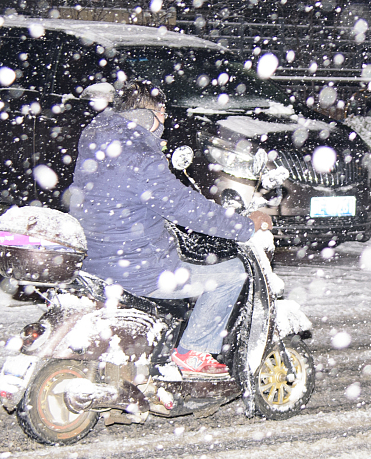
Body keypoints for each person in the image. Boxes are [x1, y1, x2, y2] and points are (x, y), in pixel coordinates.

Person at [67, 81, 273, 377]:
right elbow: (185, 207)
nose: (165, 118)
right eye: (162, 111)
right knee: (231, 275)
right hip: (133, 268)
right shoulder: (138, 152)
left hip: (94, 258)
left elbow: (124, 195)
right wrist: (243, 225)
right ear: (148, 115)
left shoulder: (96, 136)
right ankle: (194, 352)